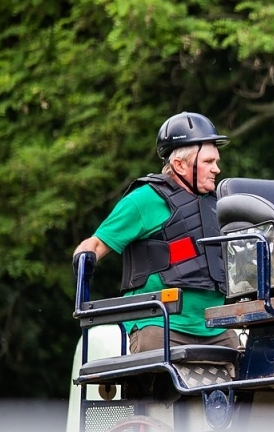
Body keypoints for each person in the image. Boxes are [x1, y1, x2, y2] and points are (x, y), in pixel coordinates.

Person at [72, 112, 243, 354]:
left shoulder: (219, 205)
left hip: (216, 329)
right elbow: (96, 245)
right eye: (208, 162)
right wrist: (84, 257)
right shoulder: (145, 199)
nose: (217, 169)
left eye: (216, 161)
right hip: (159, 327)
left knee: (252, 373)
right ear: (179, 165)